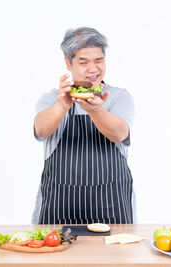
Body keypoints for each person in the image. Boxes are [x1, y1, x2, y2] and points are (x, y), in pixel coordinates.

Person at [32, 27, 136, 225]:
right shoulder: (52, 99)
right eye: (83, 62)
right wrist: (62, 105)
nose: (93, 69)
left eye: (99, 60)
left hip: (111, 210)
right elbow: (41, 130)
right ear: (67, 63)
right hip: (59, 211)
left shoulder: (119, 97)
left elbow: (119, 133)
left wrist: (96, 110)